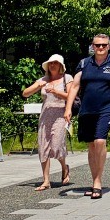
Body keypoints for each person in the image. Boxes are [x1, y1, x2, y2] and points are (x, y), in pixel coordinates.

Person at [65, 32, 110, 200]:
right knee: (91, 146)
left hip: (107, 108)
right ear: (92, 46)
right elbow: (75, 86)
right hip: (87, 109)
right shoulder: (84, 63)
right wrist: (68, 108)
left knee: (100, 141)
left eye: (104, 45)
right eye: (97, 45)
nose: (100, 48)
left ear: (109, 46)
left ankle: (98, 182)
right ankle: (94, 182)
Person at [22, 53, 72, 191]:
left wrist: (56, 92)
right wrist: (38, 86)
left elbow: (71, 96)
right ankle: (46, 181)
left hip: (61, 116)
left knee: (56, 146)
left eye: (55, 63)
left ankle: (64, 167)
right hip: (45, 117)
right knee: (43, 147)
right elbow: (25, 93)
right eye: (50, 63)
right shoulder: (43, 79)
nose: (52, 65)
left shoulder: (67, 79)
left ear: (61, 66)